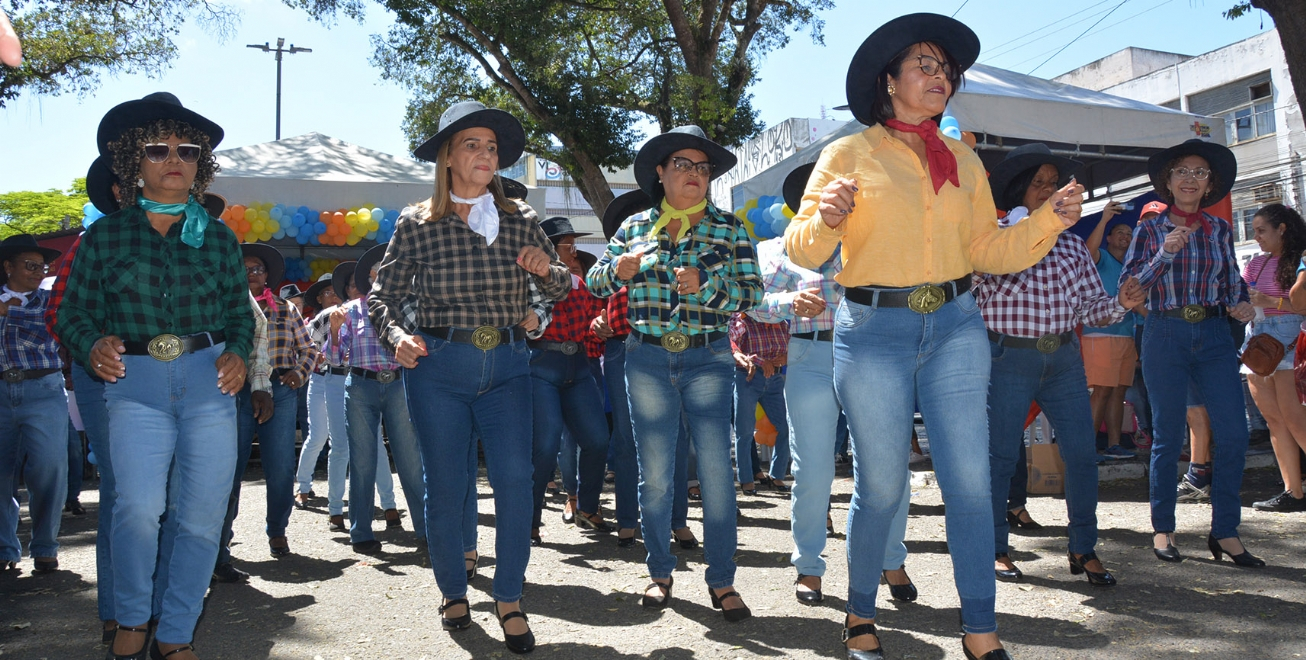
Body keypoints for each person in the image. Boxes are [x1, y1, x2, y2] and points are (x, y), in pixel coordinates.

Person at [785, 14, 1085, 659]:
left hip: (956, 327)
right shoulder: (848, 154)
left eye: (944, 69)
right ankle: (860, 613)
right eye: (923, 64)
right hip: (871, 332)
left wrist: (1047, 221)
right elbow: (804, 247)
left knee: (970, 483)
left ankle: (981, 626)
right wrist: (830, 217)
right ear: (888, 80)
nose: (938, 76)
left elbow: (988, 250)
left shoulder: (967, 160)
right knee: (884, 485)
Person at [56, 92, 253, 660]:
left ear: (200, 165)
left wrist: (238, 350)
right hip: (134, 387)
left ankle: (175, 633)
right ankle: (132, 619)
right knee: (138, 508)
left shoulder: (218, 237)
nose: (175, 158)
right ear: (131, 164)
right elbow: (73, 312)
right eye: (158, 149)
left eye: (188, 150)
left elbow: (240, 314)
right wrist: (90, 343)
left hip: (210, 386)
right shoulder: (104, 237)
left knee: (201, 517)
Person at [370, 101, 570, 654]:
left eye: (491, 146)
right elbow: (381, 297)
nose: (485, 154)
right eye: (471, 145)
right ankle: (452, 591)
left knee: (513, 480)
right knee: (447, 484)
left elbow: (560, 287)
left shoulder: (522, 218)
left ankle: (509, 597)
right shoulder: (416, 223)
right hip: (438, 367)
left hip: (508, 365)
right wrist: (396, 338)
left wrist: (543, 276)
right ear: (448, 158)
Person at [589, 124, 762, 622]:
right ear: (660, 173)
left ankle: (722, 580)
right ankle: (659, 571)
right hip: (644, 357)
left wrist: (707, 285)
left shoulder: (729, 227)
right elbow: (596, 282)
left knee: (715, 473)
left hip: (709, 357)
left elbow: (753, 296)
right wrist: (617, 270)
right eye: (683, 165)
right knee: (657, 475)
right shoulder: (635, 227)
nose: (694, 175)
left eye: (702, 168)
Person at [976, 144, 1144, 588]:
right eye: (1040, 184)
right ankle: (994, 547)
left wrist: (1119, 303)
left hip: (1065, 358)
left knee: (1083, 454)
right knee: (999, 457)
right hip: (1008, 357)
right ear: (1019, 192)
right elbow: (969, 297)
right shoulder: (994, 237)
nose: (1050, 190)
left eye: (1055, 184)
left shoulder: (1072, 246)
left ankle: (1083, 547)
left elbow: (1090, 308)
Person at [751, 162, 916, 606]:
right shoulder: (778, 247)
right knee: (814, 469)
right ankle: (808, 565)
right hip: (810, 354)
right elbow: (754, 305)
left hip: (872, 354)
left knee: (887, 465)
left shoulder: (875, 239)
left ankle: (891, 558)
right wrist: (787, 302)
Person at [1122, 138, 1262, 567]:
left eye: (1199, 173)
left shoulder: (1220, 230)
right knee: (1167, 434)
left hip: (1216, 335)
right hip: (1165, 331)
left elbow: (1233, 283)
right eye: (1182, 170)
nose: (1190, 178)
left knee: (1235, 433)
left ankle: (1225, 532)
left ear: (1209, 184)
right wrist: (1164, 254)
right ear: (1168, 180)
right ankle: (1164, 528)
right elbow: (1130, 289)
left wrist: (1241, 302)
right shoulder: (1149, 229)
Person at [591, 189, 697, 549]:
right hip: (623, 349)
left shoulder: (680, 254)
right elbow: (598, 297)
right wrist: (596, 321)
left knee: (678, 437)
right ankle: (627, 519)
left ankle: (677, 520)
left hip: (674, 349)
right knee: (626, 437)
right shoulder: (617, 260)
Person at [214, 243, 317, 574]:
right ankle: (221, 539)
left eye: (257, 269)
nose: (251, 274)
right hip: (236, 390)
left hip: (280, 389)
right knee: (231, 467)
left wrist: (297, 375)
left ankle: (278, 532)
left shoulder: (287, 309)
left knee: (280, 467)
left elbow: (310, 349)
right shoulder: (225, 308)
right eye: (244, 269)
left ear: (267, 275)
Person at [328, 245, 427, 554]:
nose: (381, 275)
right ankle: (360, 532)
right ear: (369, 277)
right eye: (375, 272)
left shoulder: (409, 308)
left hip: (399, 384)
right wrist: (333, 330)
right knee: (362, 460)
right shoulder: (350, 310)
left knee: (410, 460)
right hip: (360, 386)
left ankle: (427, 529)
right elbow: (332, 358)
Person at [528, 216, 612, 543]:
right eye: (569, 245)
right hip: (540, 364)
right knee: (545, 446)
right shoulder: (527, 280)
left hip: (579, 364)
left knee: (597, 440)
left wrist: (601, 328)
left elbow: (595, 322)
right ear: (547, 247)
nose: (575, 253)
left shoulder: (581, 283)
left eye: (574, 245)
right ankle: (530, 520)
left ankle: (587, 507)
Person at [0, 235, 67, 575]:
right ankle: (3, 547)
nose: (39, 272)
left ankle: (44, 544)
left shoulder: (51, 300)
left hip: (43, 387)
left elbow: (48, 333)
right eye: (30, 265)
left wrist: (7, 314)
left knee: (49, 468)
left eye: (42, 266)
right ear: (7, 266)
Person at [1243, 203, 1306, 512]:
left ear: (1282, 229)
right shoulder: (1256, 264)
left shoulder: (1300, 260)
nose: (1256, 237)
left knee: (1296, 421)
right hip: (1258, 343)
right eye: (1254, 231)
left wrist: (1271, 301)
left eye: (1261, 230)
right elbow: (1243, 300)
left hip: (1291, 342)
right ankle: (1292, 492)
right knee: (1274, 421)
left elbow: (1302, 305)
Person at [1083, 201, 1143, 460]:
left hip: (1126, 334)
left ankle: (1114, 444)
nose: (1125, 237)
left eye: (1129, 234)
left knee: (1119, 391)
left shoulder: (1131, 267)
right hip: (1100, 332)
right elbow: (1088, 249)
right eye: (1120, 233)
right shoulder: (1101, 258)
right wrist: (1105, 218)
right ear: (1109, 238)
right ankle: (1086, 449)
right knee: (1102, 391)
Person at [730, 312, 791, 495]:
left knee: (786, 428)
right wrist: (757, 360)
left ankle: (776, 475)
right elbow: (729, 343)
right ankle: (747, 480)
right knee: (744, 431)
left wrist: (788, 356)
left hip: (775, 377)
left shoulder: (781, 320)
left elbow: (791, 344)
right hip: (747, 377)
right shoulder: (742, 318)